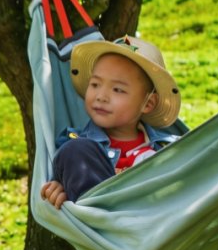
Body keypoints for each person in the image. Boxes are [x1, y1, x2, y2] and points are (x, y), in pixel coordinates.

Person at [41, 35, 182, 209]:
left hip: (148, 223)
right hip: (97, 226)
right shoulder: (76, 146)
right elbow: (69, 170)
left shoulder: (166, 151)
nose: (101, 96)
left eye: (117, 90)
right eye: (95, 84)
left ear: (148, 103)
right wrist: (60, 185)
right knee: (75, 151)